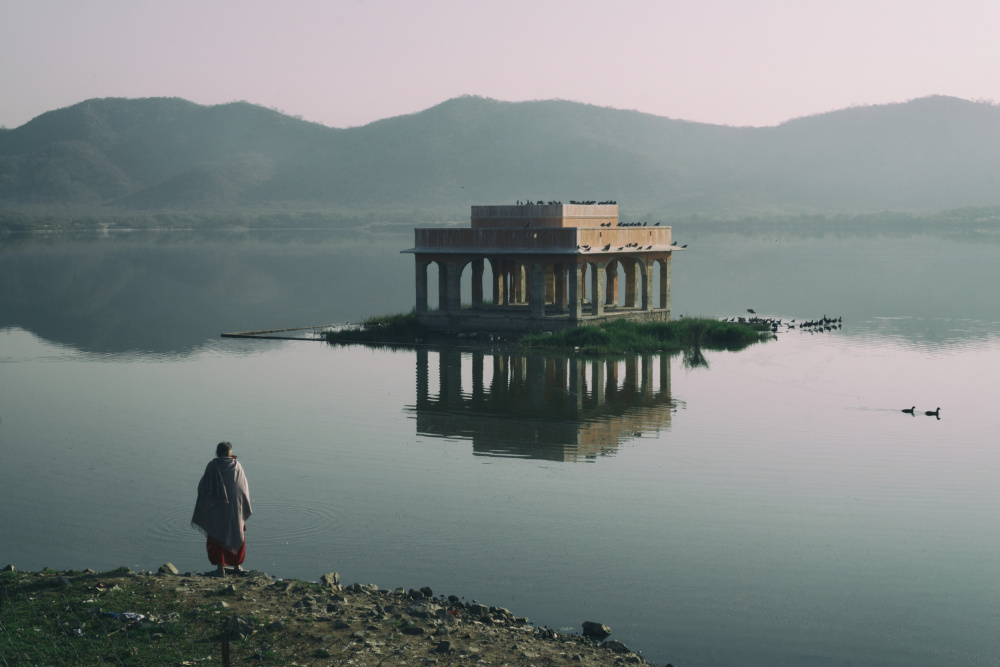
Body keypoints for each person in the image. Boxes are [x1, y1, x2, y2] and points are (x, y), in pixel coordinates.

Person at [191, 441, 252, 577]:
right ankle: (237, 566)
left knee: (217, 537)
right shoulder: (237, 466)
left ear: (218, 452)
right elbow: (243, 489)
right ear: (229, 453)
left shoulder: (212, 466)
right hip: (235, 509)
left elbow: (204, 487)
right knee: (236, 532)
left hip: (217, 510)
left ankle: (220, 569)